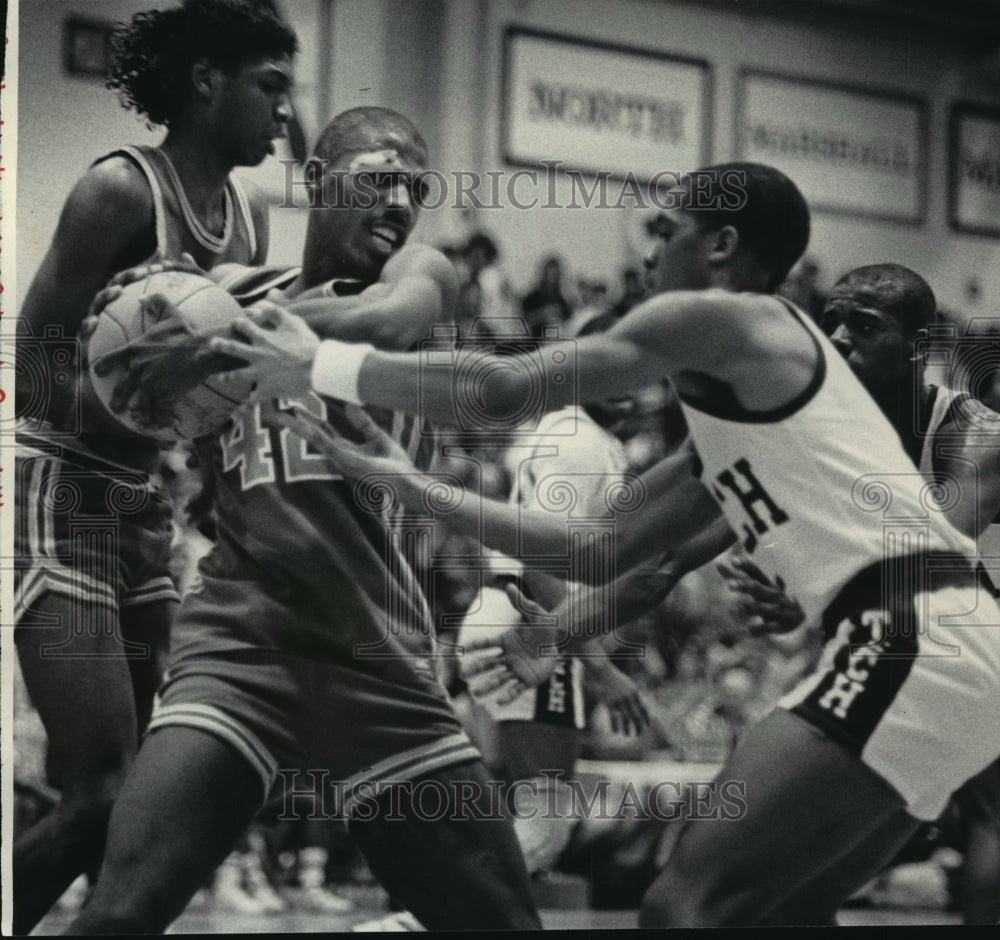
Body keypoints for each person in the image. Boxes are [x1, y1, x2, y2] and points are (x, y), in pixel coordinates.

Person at [209, 161, 1000, 927]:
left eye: (668, 229)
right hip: (953, 650)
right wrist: (414, 486)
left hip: (909, 634)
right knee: (782, 907)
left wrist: (320, 362)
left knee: (681, 906)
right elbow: (596, 551)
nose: (649, 251)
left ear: (719, 246)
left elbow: (506, 387)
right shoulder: (740, 407)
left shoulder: (719, 315)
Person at [67, 106, 540, 935]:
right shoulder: (221, 293)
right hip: (239, 648)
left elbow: (391, 323)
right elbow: (107, 399)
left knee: (502, 923)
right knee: (118, 915)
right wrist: (125, 340)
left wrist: (209, 336)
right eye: (377, 177)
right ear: (317, 181)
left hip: (376, 654)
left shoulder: (418, 277)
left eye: (414, 185)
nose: (399, 199)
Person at [12, 1, 296, 931]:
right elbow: (35, 360)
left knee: (136, 805)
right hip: (58, 486)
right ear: (205, 80)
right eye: (271, 88)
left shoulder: (247, 220)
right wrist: (133, 390)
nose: (284, 115)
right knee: (99, 793)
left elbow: (210, 397)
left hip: (146, 501)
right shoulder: (119, 191)